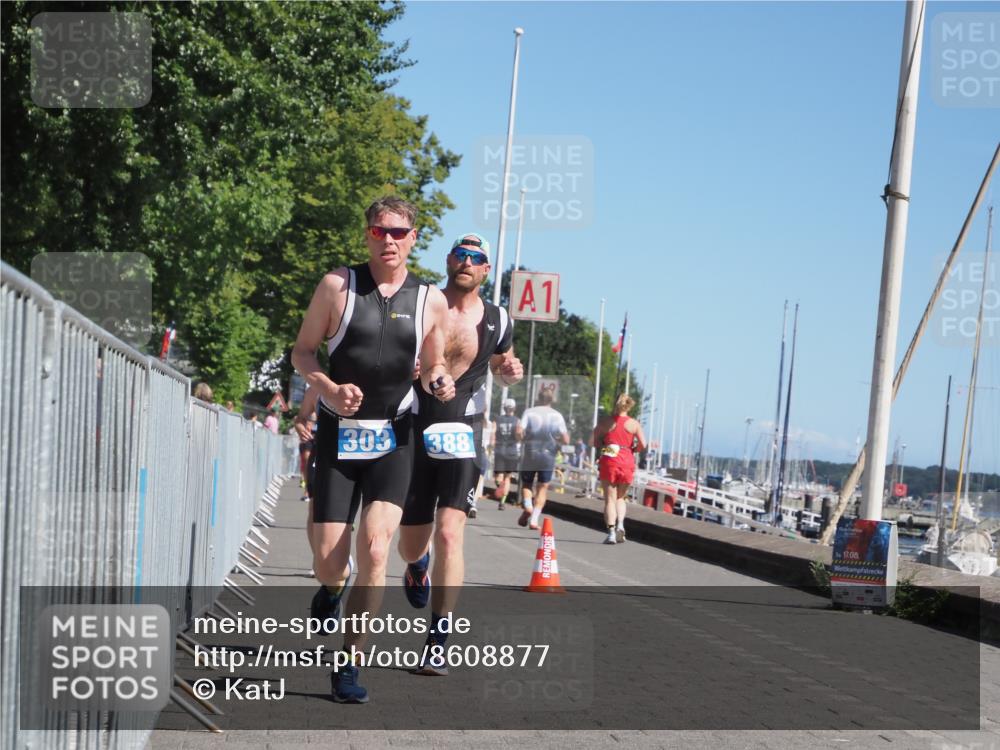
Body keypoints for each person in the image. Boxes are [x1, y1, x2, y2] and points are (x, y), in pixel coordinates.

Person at [291, 195, 455, 703]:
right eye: (381, 231)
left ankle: (349, 665)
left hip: (394, 437)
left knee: (377, 548)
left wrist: (440, 380)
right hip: (340, 434)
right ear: (367, 234)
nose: (390, 240)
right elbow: (302, 351)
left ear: (413, 239)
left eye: (400, 233)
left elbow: (433, 363)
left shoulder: (431, 300)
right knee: (328, 559)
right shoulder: (338, 286)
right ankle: (333, 589)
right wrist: (327, 387)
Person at [397, 233, 523, 676]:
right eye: (461, 255)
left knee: (451, 532)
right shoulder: (421, 301)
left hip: (462, 431)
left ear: (487, 270)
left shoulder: (498, 320)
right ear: (449, 260)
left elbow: (505, 369)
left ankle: (438, 639)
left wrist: (510, 372)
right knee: (411, 543)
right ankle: (418, 566)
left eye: (477, 258)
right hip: (414, 424)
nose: (467, 262)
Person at [593, 394, 646, 544]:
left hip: (610, 458)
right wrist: (634, 449)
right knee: (620, 498)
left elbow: (593, 440)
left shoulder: (606, 422)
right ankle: (621, 525)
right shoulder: (634, 424)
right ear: (628, 406)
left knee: (609, 499)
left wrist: (603, 445)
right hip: (627, 458)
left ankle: (610, 532)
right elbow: (643, 443)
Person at [516, 386, 569, 530]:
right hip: (548, 454)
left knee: (527, 484)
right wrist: (557, 440)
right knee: (542, 488)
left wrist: (522, 439)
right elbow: (566, 439)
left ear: (538, 398)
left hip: (530, 452)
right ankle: (534, 520)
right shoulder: (557, 415)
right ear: (552, 400)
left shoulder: (529, 412)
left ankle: (528, 506)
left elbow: (519, 431)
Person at [491, 398, 521, 509]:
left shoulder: (497, 420)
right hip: (512, 451)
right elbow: (518, 435)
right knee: (507, 477)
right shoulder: (517, 420)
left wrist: (491, 444)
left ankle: (500, 487)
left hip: (499, 450)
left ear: (504, 408)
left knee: (498, 477)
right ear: (514, 408)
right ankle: (502, 502)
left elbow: (493, 433)